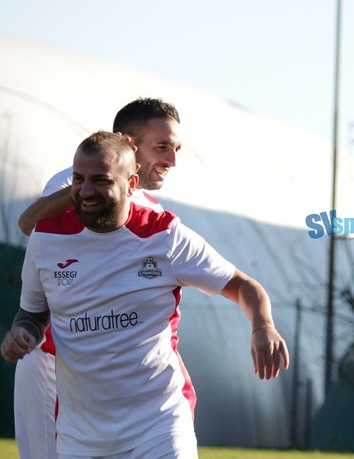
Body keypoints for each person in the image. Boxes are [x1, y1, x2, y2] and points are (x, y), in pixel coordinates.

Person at [1, 131, 289, 457]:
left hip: (158, 426)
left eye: (100, 180)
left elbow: (242, 285)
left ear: (132, 183)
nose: (85, 191)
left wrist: (263, 326)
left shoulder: (165, 235)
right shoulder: (47, 237)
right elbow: (33, 313)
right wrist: (22, 333)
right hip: (80, 437)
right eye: (78, 179)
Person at [13, 97, 182, 459]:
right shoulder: (77, 183)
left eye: (175, 148)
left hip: (100, 379)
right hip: (50, 361)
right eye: (162, 147)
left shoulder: (153, 211)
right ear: (128, 144)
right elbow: (29, 222)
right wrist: (95, 188)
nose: (171, 160)